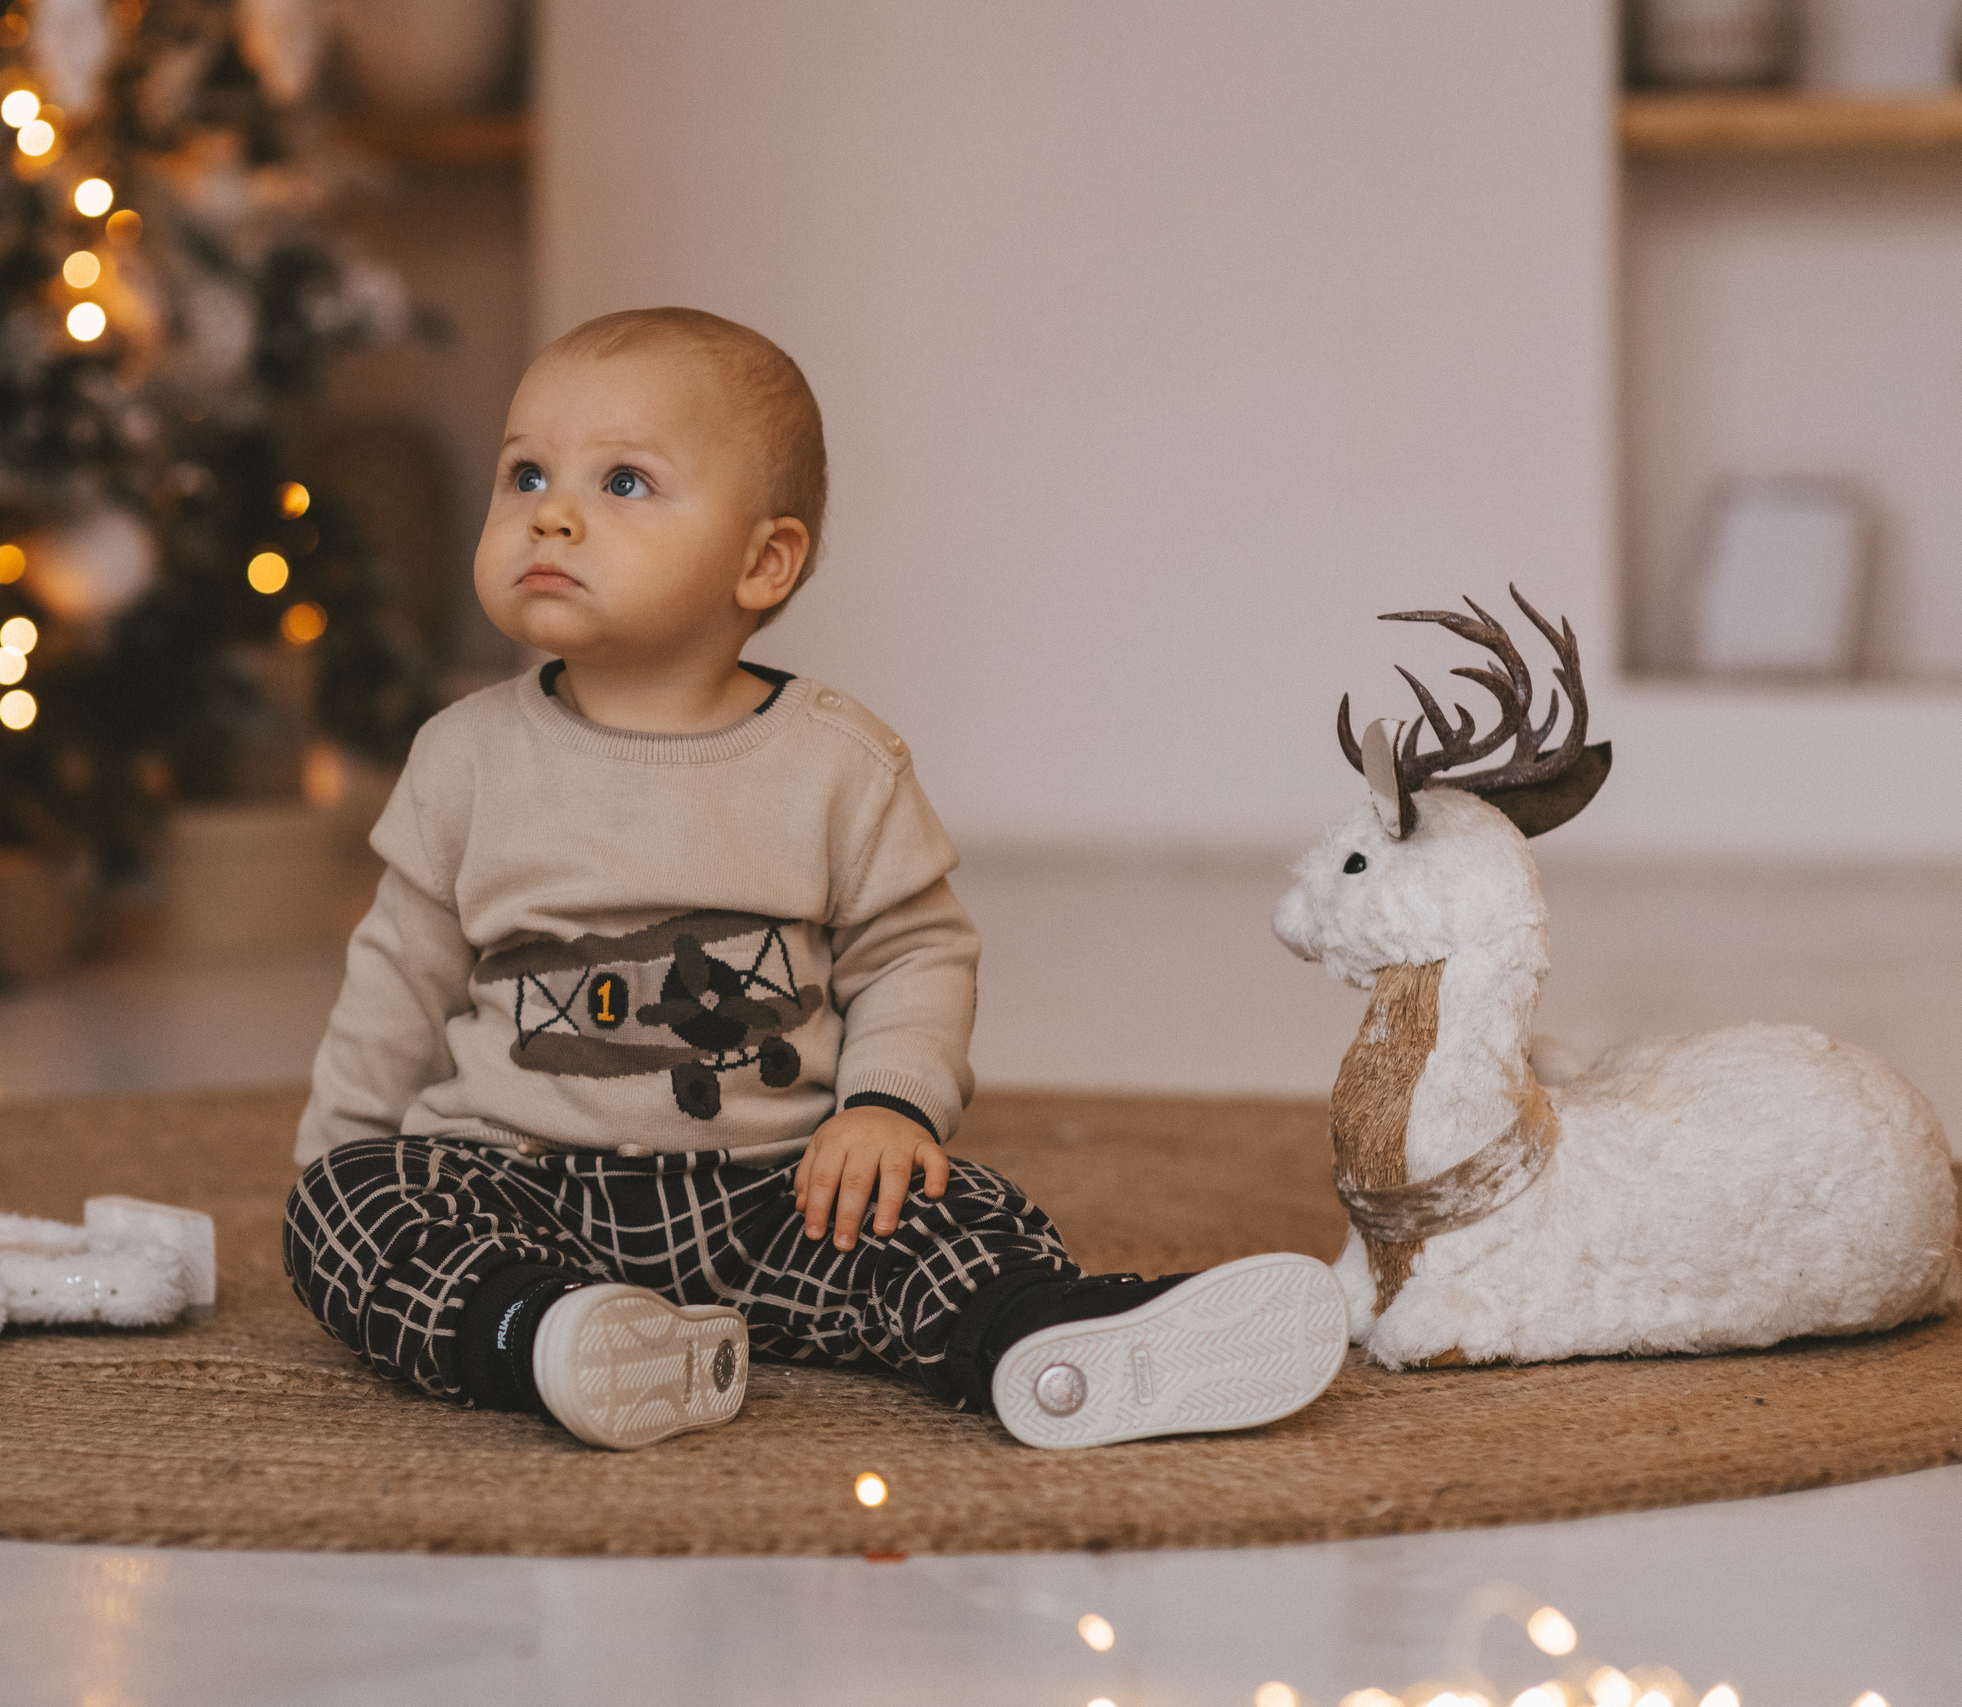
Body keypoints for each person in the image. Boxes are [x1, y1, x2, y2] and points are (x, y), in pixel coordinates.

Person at [283, 307, 1346, 1450]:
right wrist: (343, 1159)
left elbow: (914, 955)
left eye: (623, 482)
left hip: (777, 1194)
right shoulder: (463, 756)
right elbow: (399, 973)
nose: (550, 512)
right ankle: (550, 1335)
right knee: (348, 1210)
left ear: (763, 561)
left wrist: (885, 1108)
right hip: (517, 1185)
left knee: (953, 1209)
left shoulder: (836, 763)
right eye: (525, 474)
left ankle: (1043, 1337)